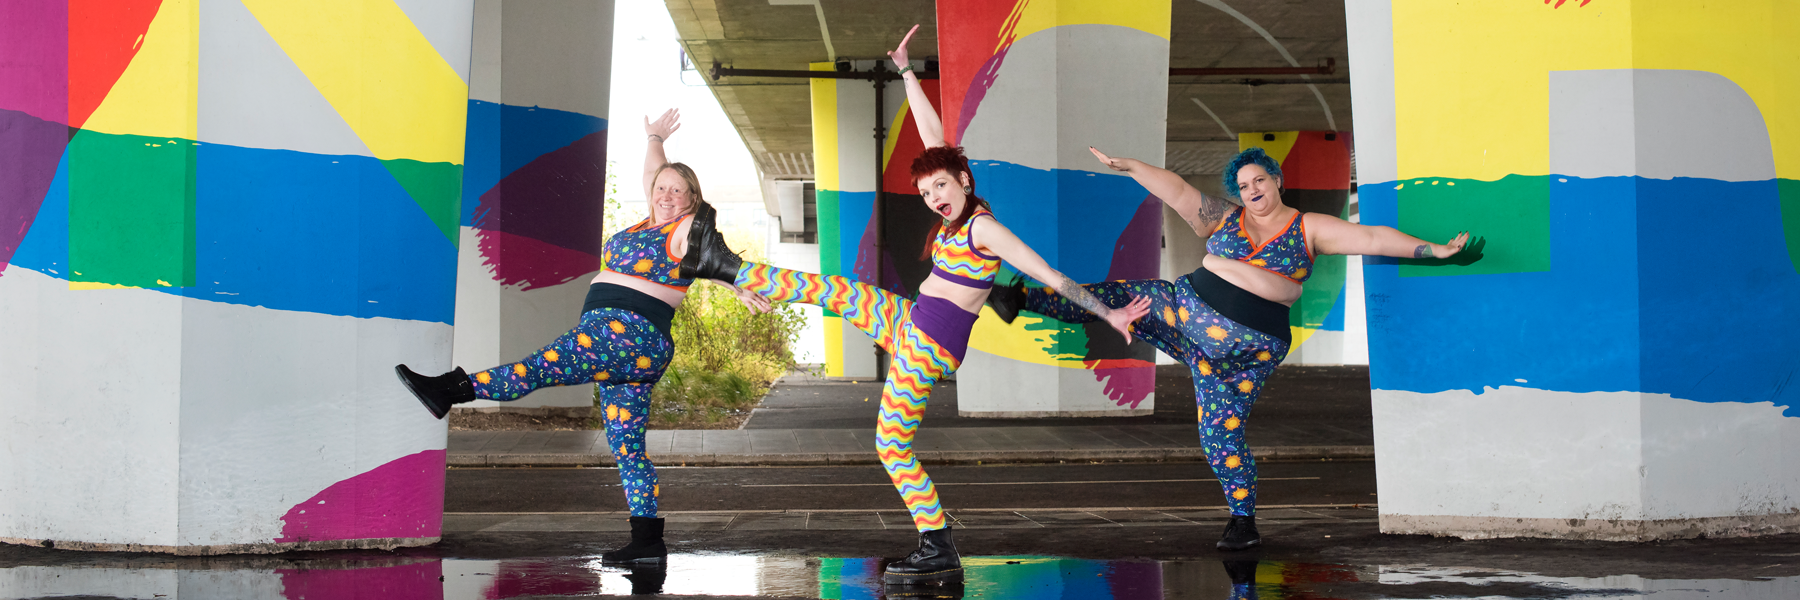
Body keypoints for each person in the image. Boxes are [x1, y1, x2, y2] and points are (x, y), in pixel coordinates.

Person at [677, 25, 1150, 585]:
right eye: (927, 195)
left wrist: (1111, 314)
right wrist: (904, 71)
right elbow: (933, 141)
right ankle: (724, 266)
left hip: (927, 343)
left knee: (890, 444)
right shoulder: (954, 207)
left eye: (942, 190)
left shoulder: (985, 229)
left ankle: (937, 544)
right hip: (911, 322)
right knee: (833, 290)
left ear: (965, 182)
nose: (935, 200)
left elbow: (1048, 271)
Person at [1017, 145, 1470, 551]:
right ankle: (1021, 298)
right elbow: (1176, 190)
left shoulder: (1307, 227)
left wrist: (1434, 251)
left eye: (1259, 180)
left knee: (1221, 427)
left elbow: (1371, 238)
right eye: (1243, 185)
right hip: (1186, 322)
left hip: (1246, 352)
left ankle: (1242, 519)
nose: (1252, 189)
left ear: (1277, 181)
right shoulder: (1225, 217)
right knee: (1126, 301)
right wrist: (1133, 166)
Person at [394, 108, 771, 566]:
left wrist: (737, 281)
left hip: (624, 335)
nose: (668, 195)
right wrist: (654, 136)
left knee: (540, 366)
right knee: (627, 446)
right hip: (632, 349)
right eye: (662, 189)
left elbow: (714, 255)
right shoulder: (644, 223)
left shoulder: (684, 230)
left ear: (693, 199)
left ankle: (448, 390)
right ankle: (648, 543)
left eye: (679, 191)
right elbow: (655, 169)